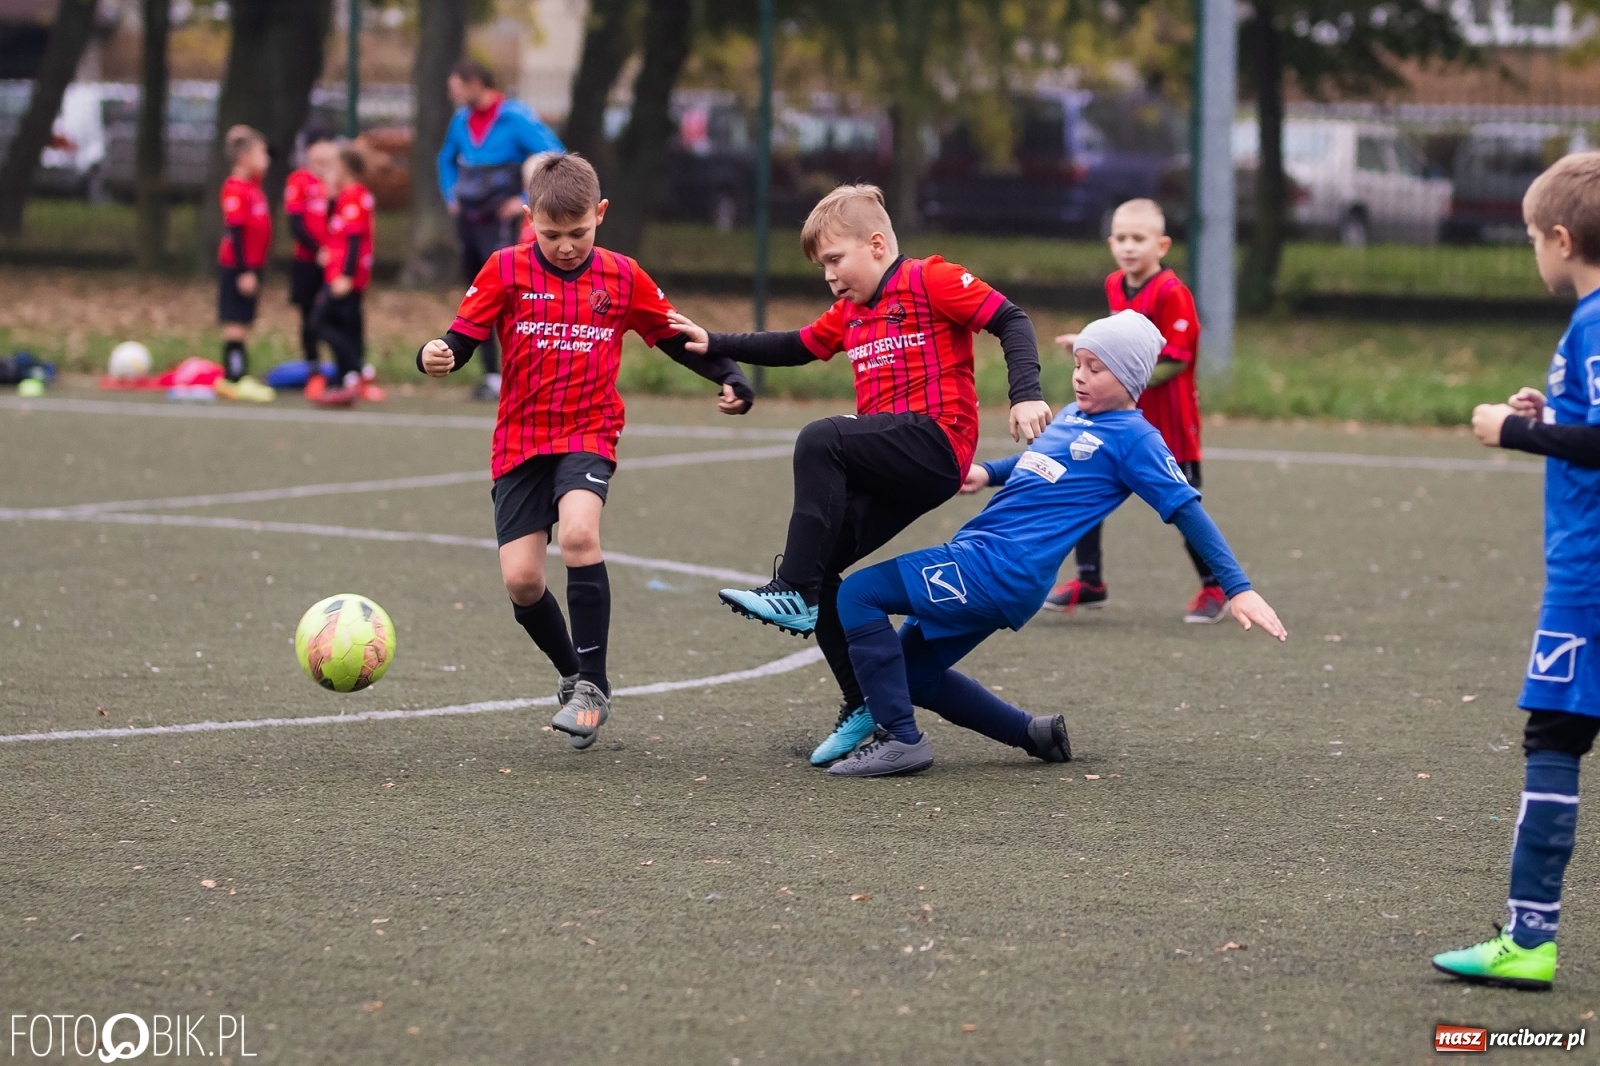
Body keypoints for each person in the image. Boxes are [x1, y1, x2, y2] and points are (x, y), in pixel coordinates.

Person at [668, 183, 1052, 767]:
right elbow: (797, 345)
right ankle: (864, 703)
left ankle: (791, 591)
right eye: (822, 266)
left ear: (876, 245)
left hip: (936, 443)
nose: (829, 276)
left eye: (833, 260)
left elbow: (1012, 320)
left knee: (821, 438)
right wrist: (715, 341)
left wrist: (1024, 395)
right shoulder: (851, 312)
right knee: (827, 573)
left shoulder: (931, 278)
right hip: (893, 465)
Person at [825, 310, 1287, 778]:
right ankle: (1033, 734)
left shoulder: (1136, 439)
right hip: (995, 567)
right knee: (912, 675)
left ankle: (900, 741)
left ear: (1129, 377)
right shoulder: (1072, 415)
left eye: (1095, 368)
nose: (1080, 377)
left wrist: (1237, 587)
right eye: (1078, 364)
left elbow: (1188, 510)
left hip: (996, 568)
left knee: (858, 593)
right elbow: (1041, 459)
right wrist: (988, 472)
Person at [416, 153, 755, 751]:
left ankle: (593, 688)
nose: (566, 246)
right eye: (551, 235)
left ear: (600, 215)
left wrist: (728, 372)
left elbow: (676, 336)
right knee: (522, 582)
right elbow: (459, 340)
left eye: (579, 233)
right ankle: (574, 673)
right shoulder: (504, 269)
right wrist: (435, 354)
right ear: (529, 220)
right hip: (520, 442)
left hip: (587, 434)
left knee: (577, 537)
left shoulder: (622, 276)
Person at [1433, 152, 1600, 991]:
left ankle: (1530, 938)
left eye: (1534, 238)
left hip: (1591, 579)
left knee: (1553, 738)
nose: (1534, 252)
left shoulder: (1595, 321)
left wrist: (1515, 430)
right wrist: (1552, 412)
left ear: (1562, 240)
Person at [1045, 199, 1220, 622]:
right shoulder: (1114, 285)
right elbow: (1123, 341)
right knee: (1084, 489)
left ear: (1161, 245)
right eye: (1121, 238)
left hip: (1169, 425)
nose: (1128, 247)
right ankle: (1090, 582)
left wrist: (1122, 378)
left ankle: (1216, 587)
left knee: (1183, 507)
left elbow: (1175, 359)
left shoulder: (1172, 293)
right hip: (1121, 421)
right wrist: (1089, 343)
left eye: (1138, 239)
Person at [437, 59, 564, 401]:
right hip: (470, 222)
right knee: (479, 297)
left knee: (510, 297)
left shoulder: (516, 117)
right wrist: (451, 194)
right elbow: (445, 158)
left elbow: (554, 156)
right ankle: (492, 375)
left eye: (457, 86)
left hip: (501, 224)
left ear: (475, 83)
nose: (453, 94)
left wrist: (523, 197)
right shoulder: (460, 120)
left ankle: (524, 373)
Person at [310, 145, 382, 408]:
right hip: (338, 274)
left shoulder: (354, 195)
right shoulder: (344, 196)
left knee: (318, 323)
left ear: (343, 168)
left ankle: (356, 369)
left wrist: (347, 275)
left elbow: (354, 240)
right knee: (343, 326)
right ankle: (345, 378)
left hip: (344, 277)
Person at [212, 125, 274, 402]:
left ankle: (238, 375)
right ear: (244, 157)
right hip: (238, 267)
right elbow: (234, 233)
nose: (267, 158)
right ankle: (234, 378)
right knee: (235, 322)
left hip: (252, 265)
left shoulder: (252, 186)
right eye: (261, 153)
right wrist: (244, 271)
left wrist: (243, 135)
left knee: (245, 321)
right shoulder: (236, 189)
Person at [284, 129, 338, 399]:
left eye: (329, 143)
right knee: (308, 316)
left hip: (335, 264)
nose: (326, 149)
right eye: (320, 144)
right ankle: (313, 369)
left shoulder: (336, 181)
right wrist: (318, 250)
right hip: (308, 261)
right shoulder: (299, 180)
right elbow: (295, 223)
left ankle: (345, 370)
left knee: (336, 315)